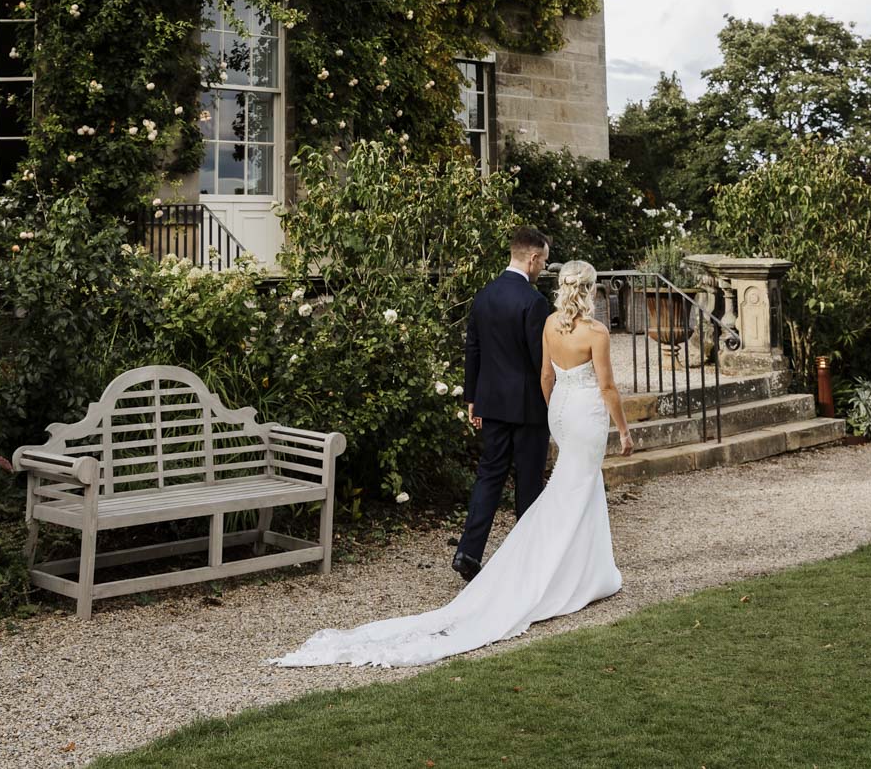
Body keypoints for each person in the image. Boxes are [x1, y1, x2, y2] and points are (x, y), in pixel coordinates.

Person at [269, 257, 634, 669]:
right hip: (565, 411)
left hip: (547, 409)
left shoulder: (528, 312)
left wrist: (517, 406)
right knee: (555, 487)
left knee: (523, 481)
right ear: (588, 288)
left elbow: (521, 367)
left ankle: (518, 558)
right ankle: (560, 567)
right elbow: (596, 383)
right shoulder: (576, 323)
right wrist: (619, 429)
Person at [452, 225, 554, 581]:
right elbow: (540, 360)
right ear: (532, 257)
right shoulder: (534, 301)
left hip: (491, 403)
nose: (543, 268)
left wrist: (472, 398)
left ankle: (468, 551)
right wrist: (552, 402)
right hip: (528, 407)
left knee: (489, 477)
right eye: (543, 261)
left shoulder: (484, 295)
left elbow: (473, 349)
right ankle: (527, 559)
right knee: (529, 482)